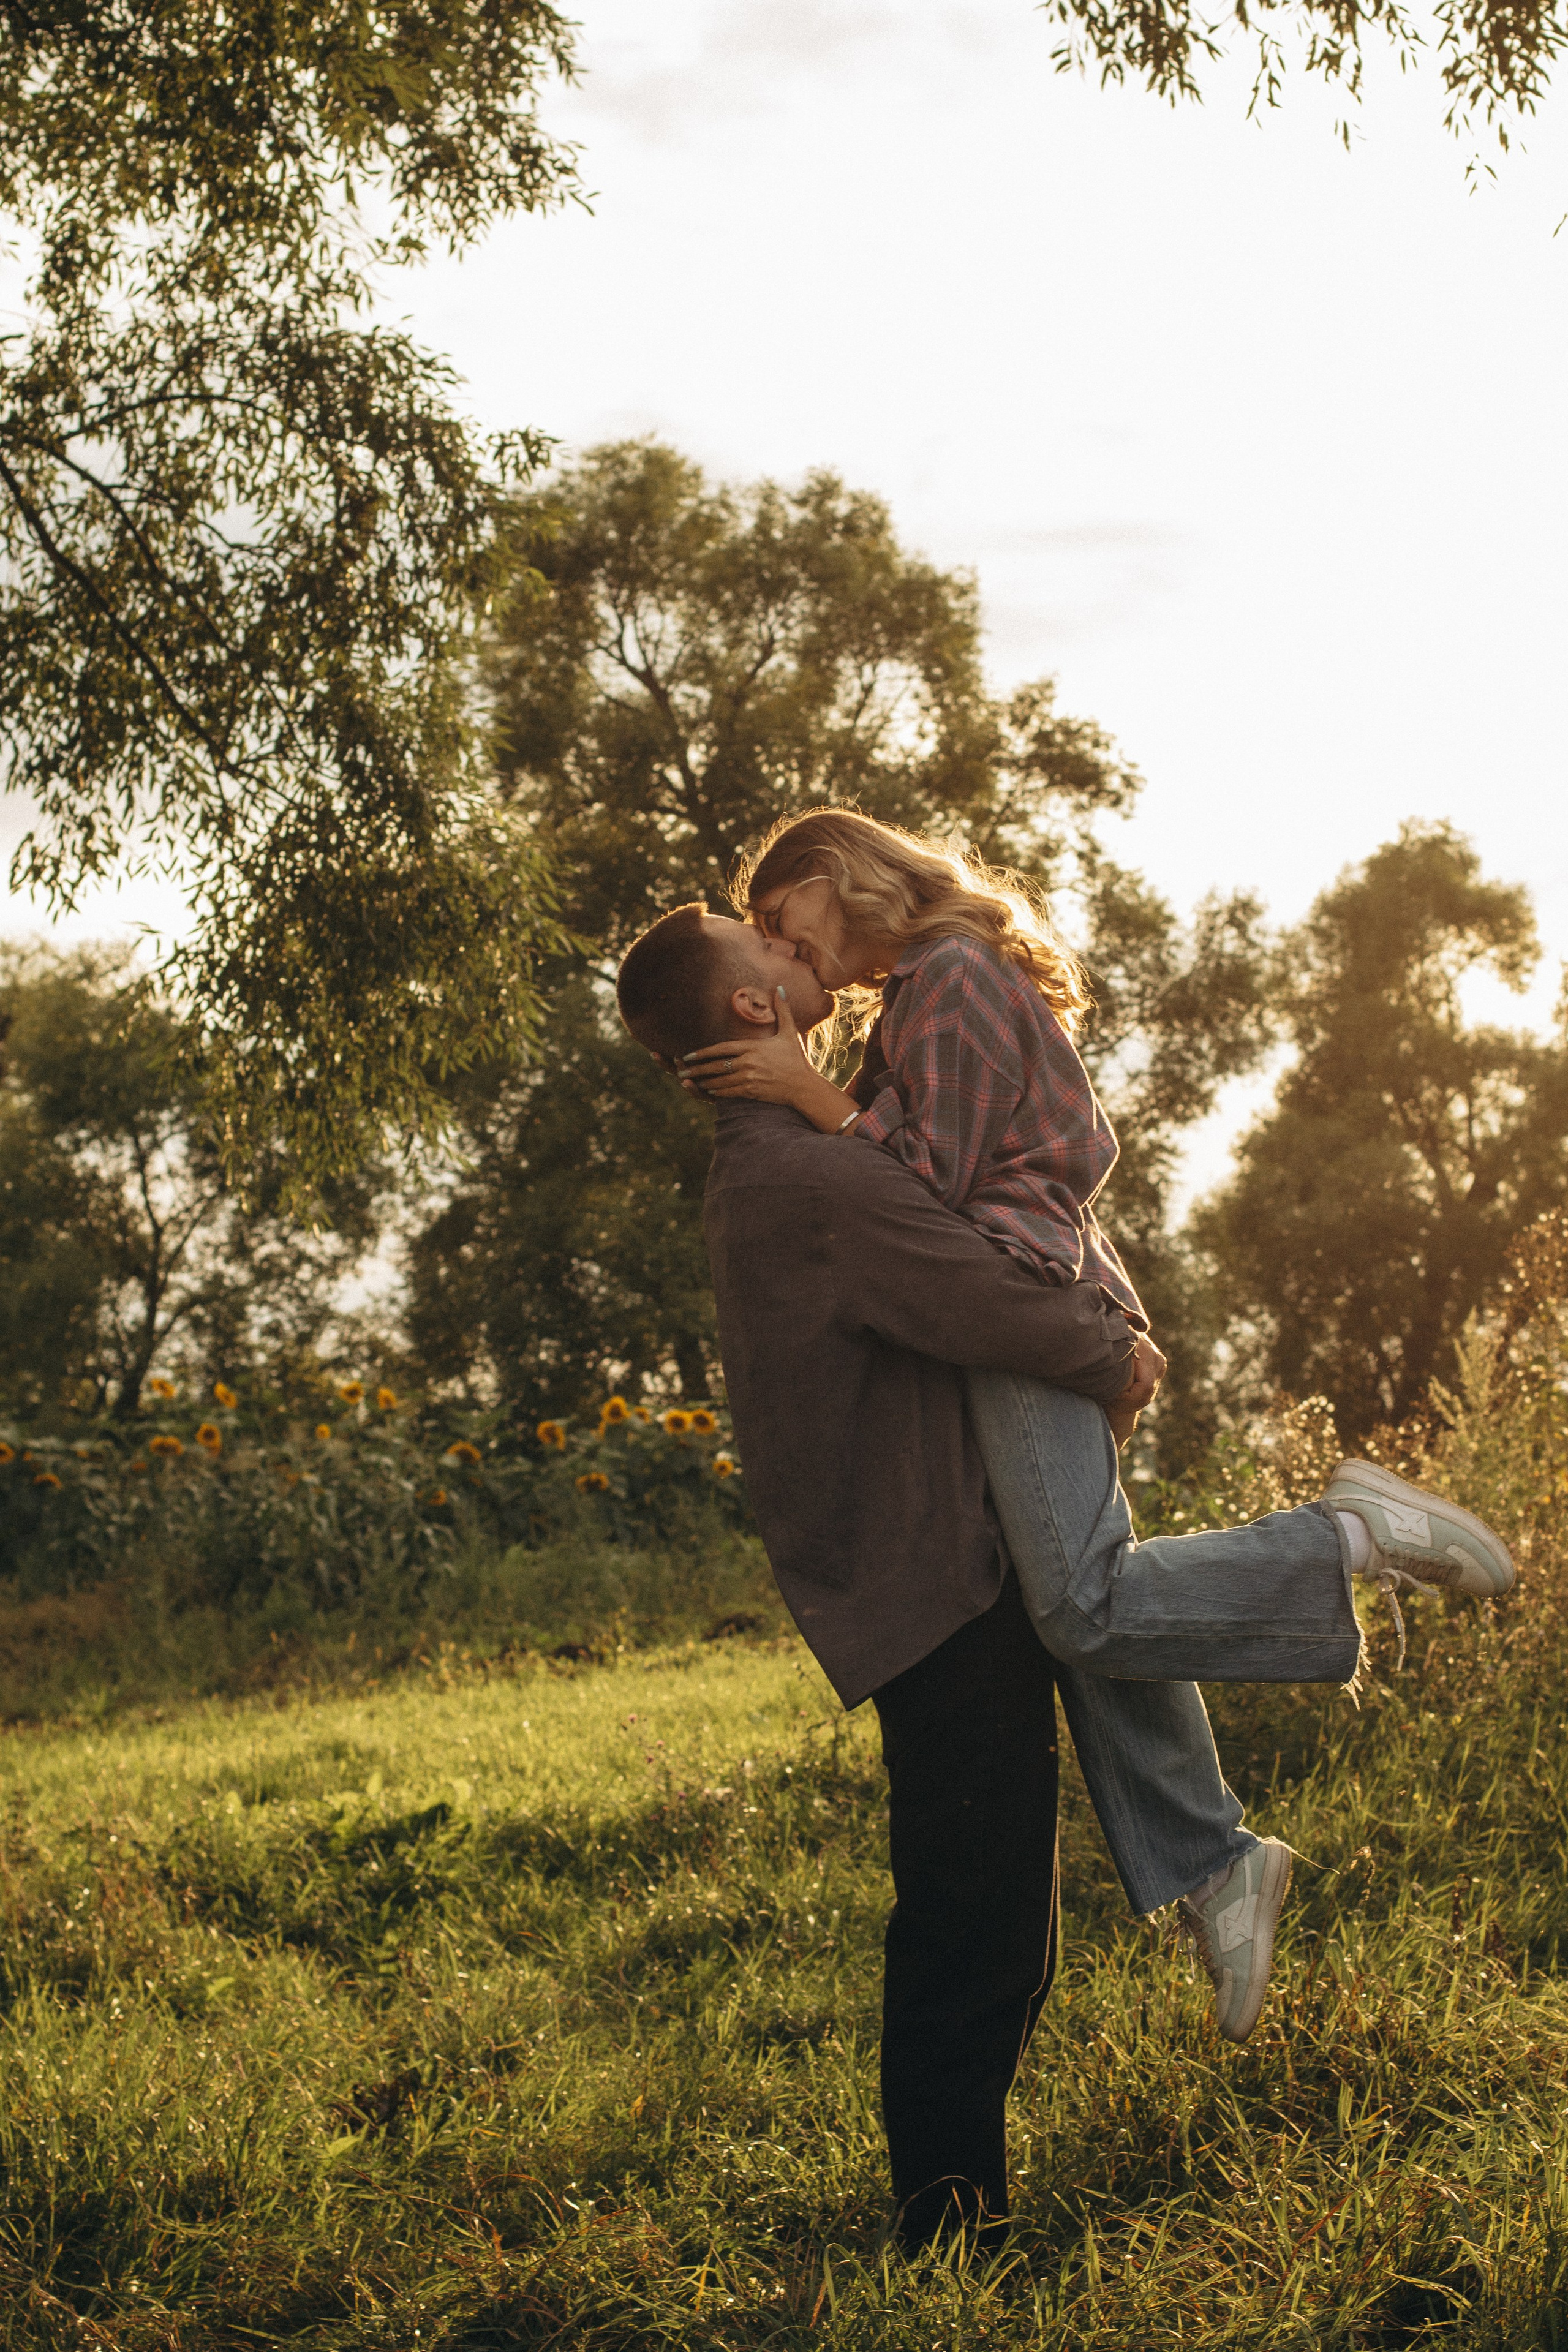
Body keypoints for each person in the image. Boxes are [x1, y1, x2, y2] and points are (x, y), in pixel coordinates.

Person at [614, 902, 1513, 2252]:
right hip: (930, 1577)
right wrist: (1115, 1357)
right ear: (747, 1011)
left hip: (921, 1561)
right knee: (975, 1922)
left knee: (1003, 1865)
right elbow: (976, 1283)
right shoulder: (811, 1181)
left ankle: (1206, 1872)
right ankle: (946, 2228)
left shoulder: (779, 1162)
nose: (793, 961)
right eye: (771, 960)